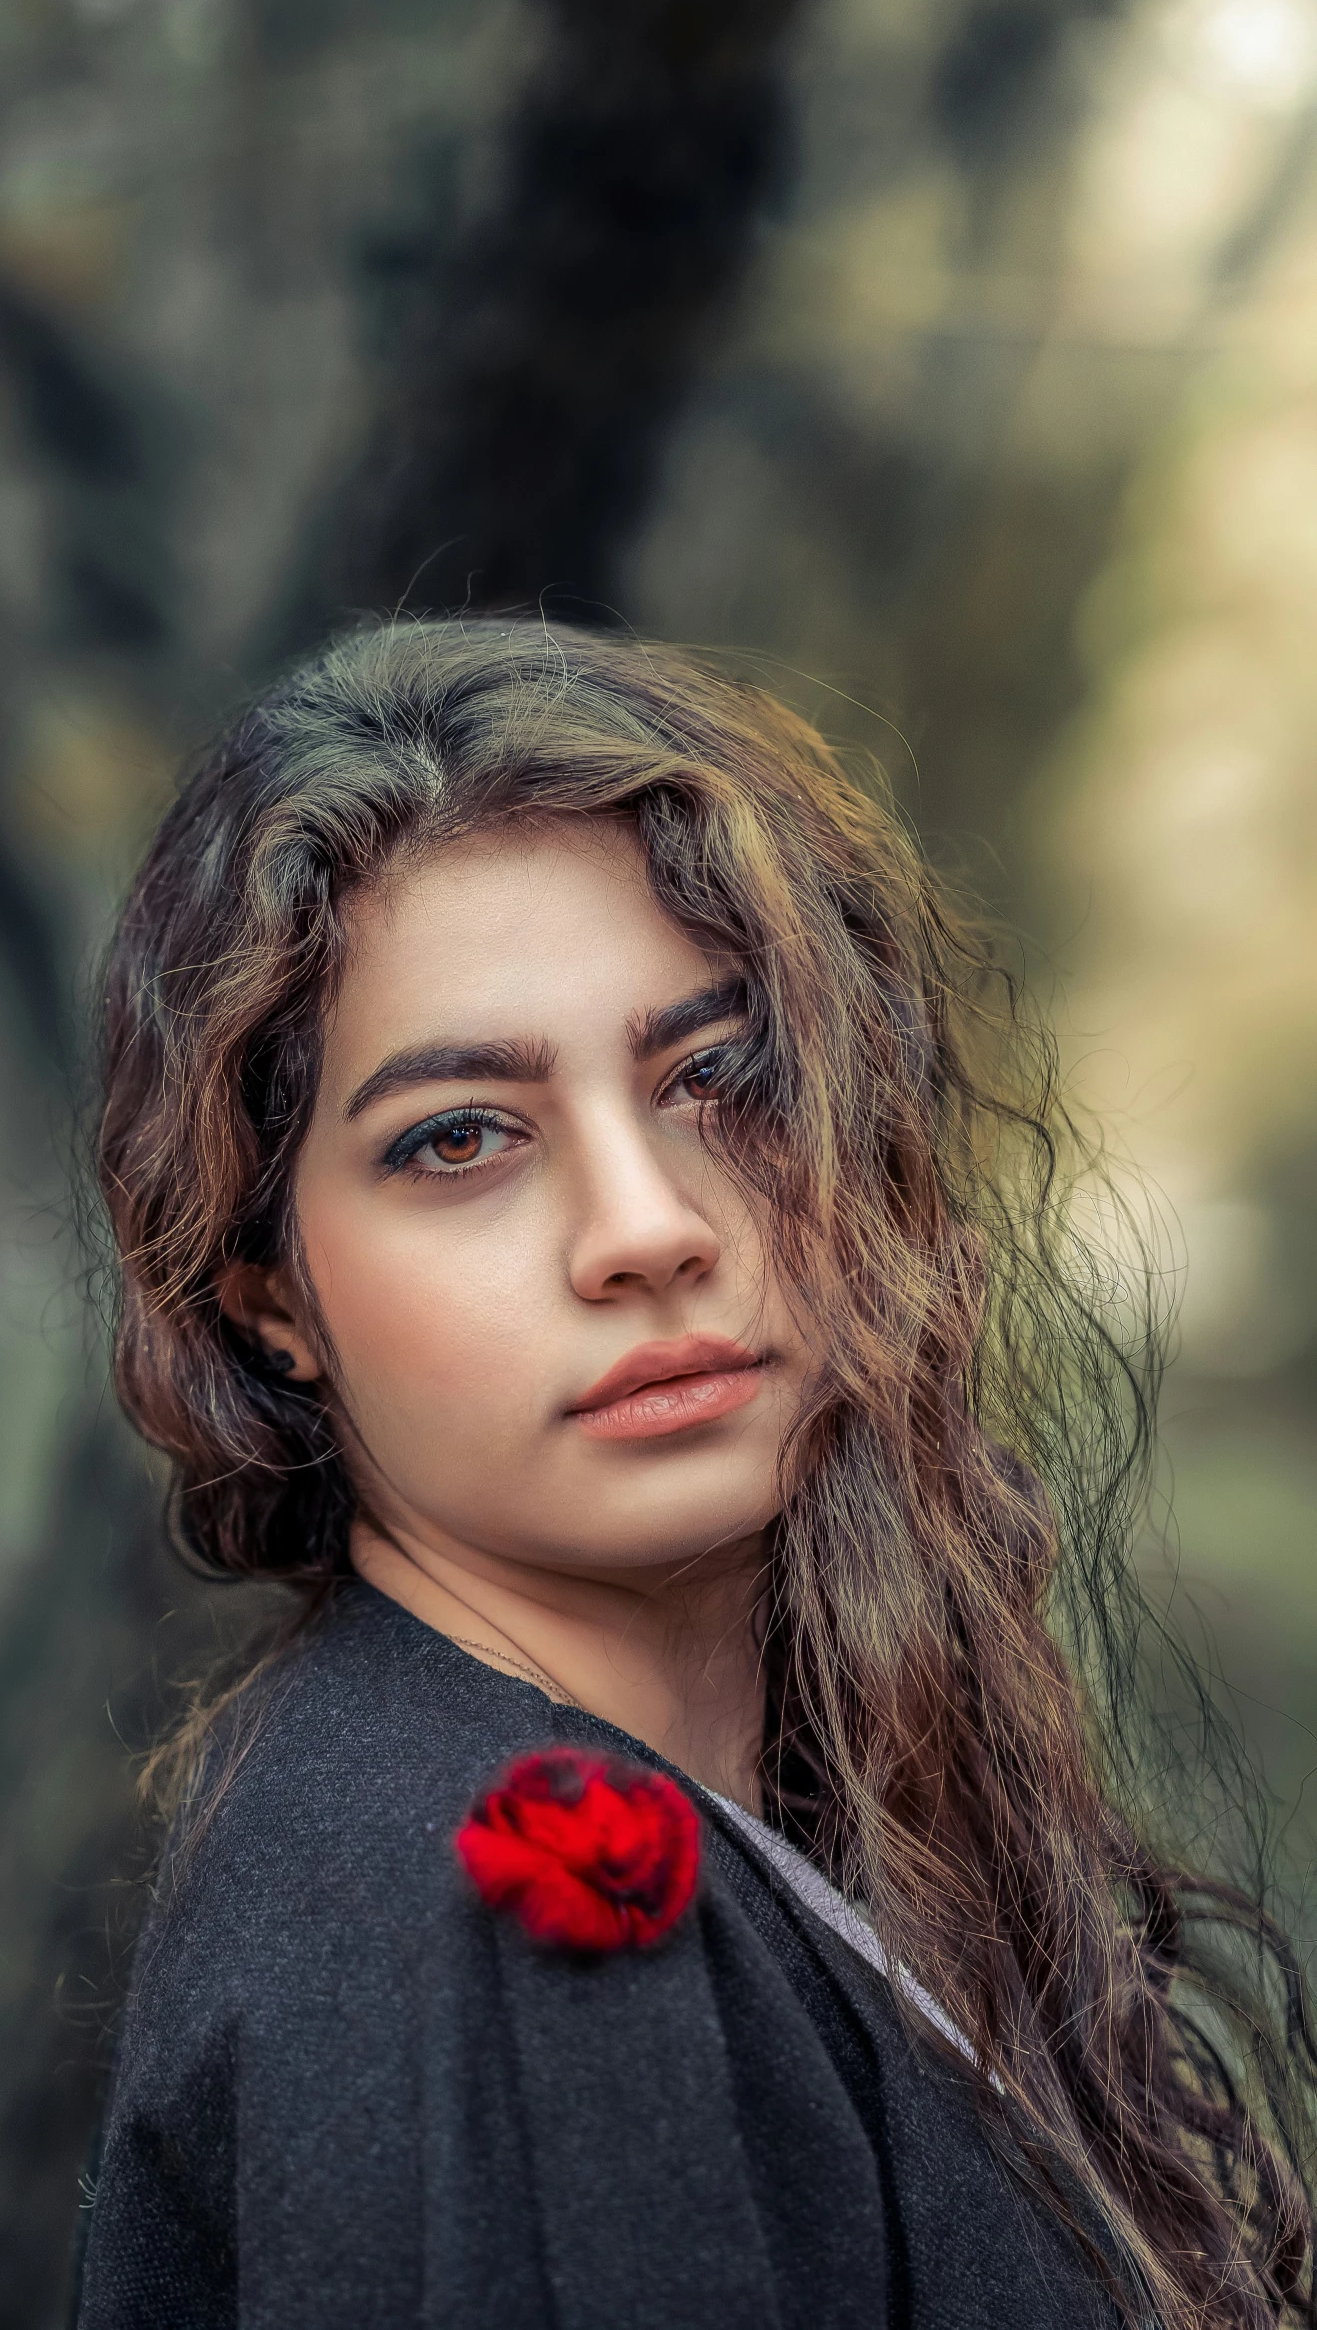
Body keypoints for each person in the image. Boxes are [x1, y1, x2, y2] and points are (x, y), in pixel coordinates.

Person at [75, 617, 1314, 2330]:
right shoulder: (515, 1903)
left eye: (717, 1077)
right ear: (269, 1295)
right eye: (459, 1137)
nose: (646, 1227)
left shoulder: (722, 1808)